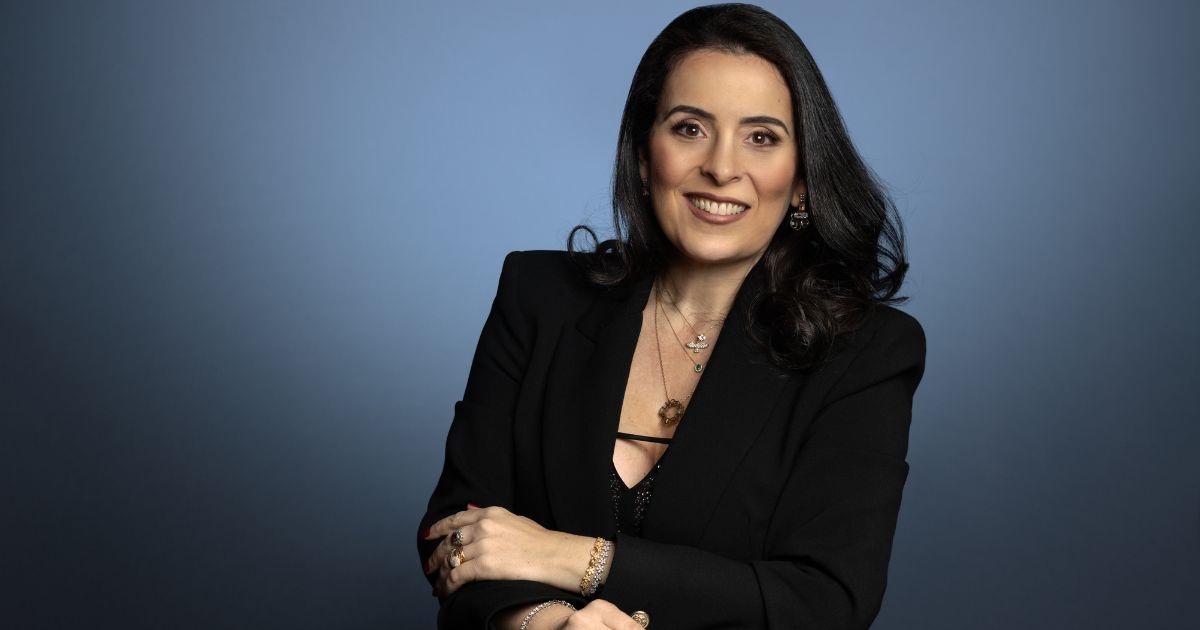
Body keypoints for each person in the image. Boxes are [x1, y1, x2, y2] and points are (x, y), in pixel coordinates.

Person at [417, 4, 925, 628]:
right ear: (642, 152)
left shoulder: (869, 352)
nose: (722, 167)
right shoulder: (538, 296)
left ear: (801, 179)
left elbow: (826, 600)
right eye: (690, 128)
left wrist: (575, 559)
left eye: (761, 137)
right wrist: (541, 621)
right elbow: (456, 533)